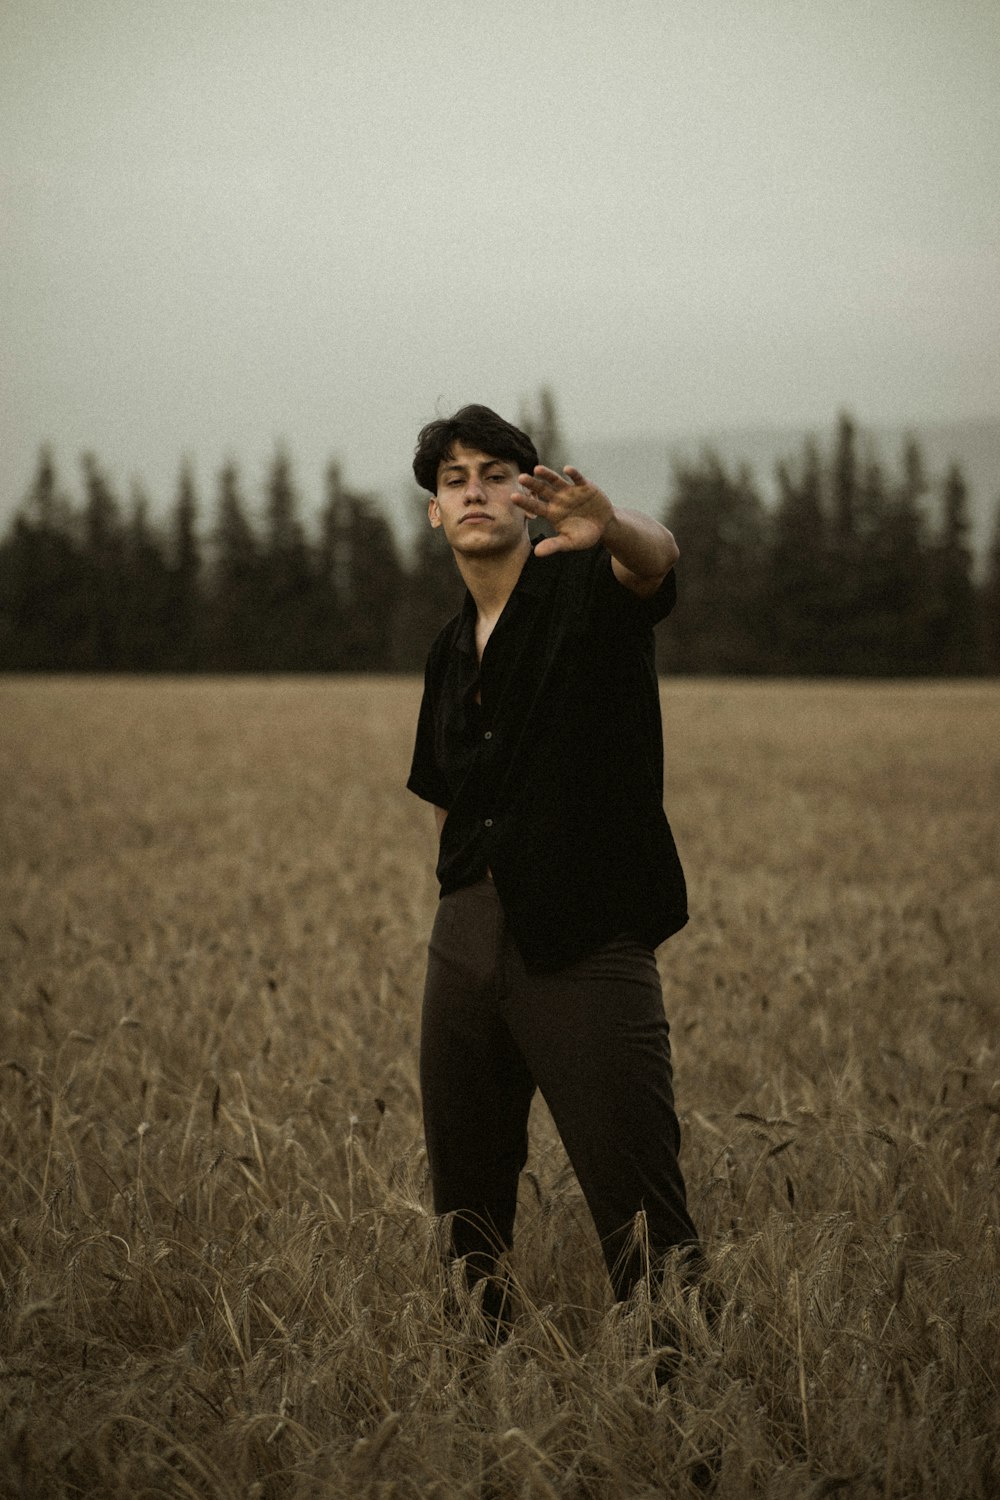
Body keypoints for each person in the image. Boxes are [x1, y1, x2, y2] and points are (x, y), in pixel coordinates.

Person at [407, 404, 701, 1333]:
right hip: (467, 940)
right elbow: (449, 800)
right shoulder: (448, 652)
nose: (476, 492)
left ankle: (686, 1395)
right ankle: (480, 1375)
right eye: (455, 481)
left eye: (496, 474)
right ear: (435, 515)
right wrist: (462, 908)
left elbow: (655, 561)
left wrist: (611, 524)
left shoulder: (588, 589)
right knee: (468, 1199)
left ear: (531, 497)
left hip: (585, 940)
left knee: (641, 1205)